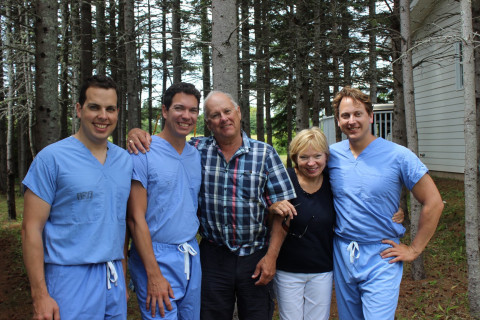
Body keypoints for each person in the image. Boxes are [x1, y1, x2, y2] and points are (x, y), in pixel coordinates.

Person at [127, 90, 297, 320]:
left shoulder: (265, 153)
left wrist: (271, 257)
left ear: (238, 112)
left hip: (254, 257)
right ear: (207, 123)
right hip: (212, 258)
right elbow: (165, 144)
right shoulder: (198, 149)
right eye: (215, 115)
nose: (223, 118)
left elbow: (284, 211)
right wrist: (136, 133)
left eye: (227, 111)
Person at [22, 75, 132, 320]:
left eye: (110, 109)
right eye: (94, 107)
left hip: (113, 279)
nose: (103, 116)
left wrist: (122, 277)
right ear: (79, 109)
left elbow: (118, 225)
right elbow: (31, 229)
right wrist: (40, 294)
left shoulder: (124, 161)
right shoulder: (52, 159)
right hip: (68, 279)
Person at [329, 86, 444, 319]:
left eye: (357, 114)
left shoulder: (398, 155)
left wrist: (414, 248)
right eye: (345, 115)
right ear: (338, 121)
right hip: (343, 252)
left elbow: (434, 202)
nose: (352, 121)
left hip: (382, 254)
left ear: (370, 116)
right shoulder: (330, 155)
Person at [272, 127, 405, 320]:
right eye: (303, 157)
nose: (311, 163)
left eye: (317, 156)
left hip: (322, 269)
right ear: (294, 157)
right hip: (288, 270)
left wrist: (392, 212)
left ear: (326, 157)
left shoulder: (333, 181)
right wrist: (272, 207)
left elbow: (357, 201)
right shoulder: (285, 180)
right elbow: (268, 213)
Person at [127, 82, 202, 319]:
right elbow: (134, 218)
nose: (186, 116)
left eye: (193, 110)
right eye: (179, 108)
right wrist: (153, 274)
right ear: (164, 110)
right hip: (155, 257)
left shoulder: (195, 154)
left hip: (190, 254)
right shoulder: (143, 151)